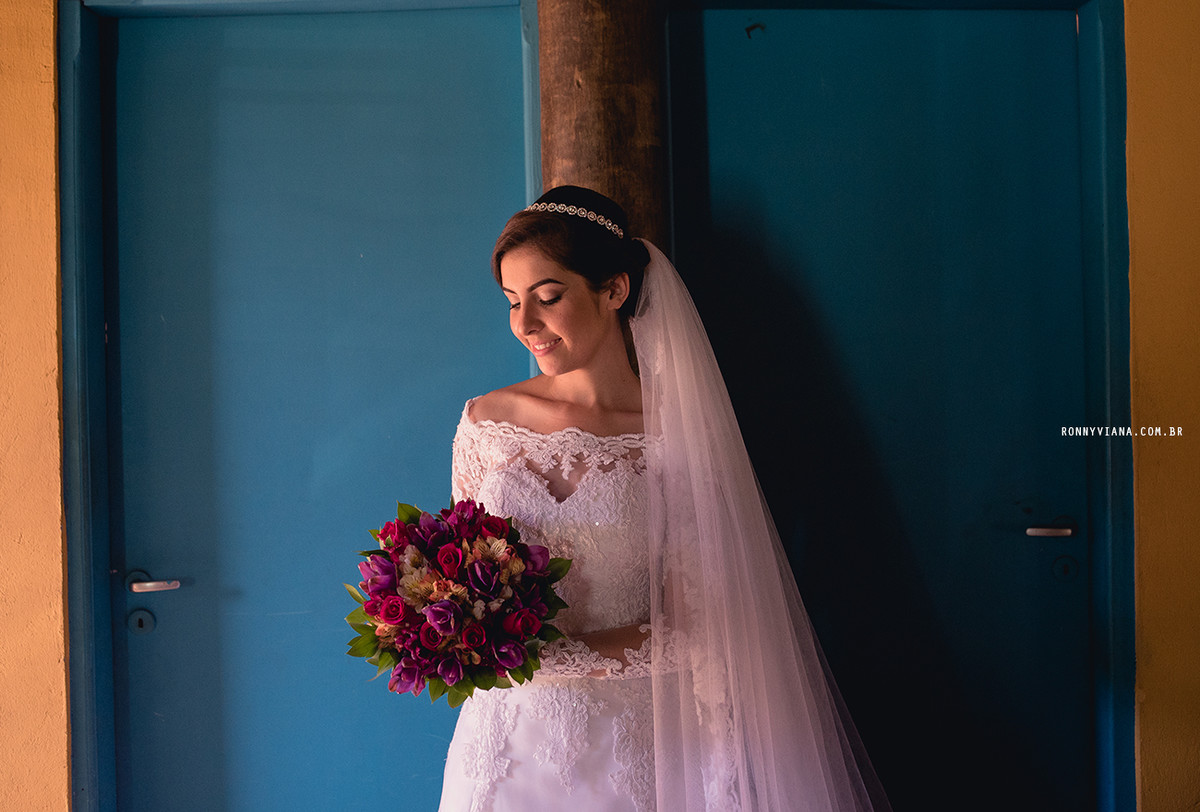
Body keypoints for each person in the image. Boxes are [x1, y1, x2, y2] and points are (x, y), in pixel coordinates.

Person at [438, 186, 889, 812]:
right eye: (512, 302)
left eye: (547, 297)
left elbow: (700, 627)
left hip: (632, 750)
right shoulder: (485, 423)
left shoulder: (679, 435)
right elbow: (458, 578)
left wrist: (543, 657)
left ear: (615, 289)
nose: (525, 325)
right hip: (502, 749)